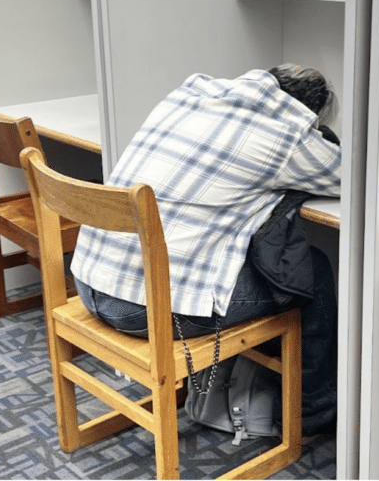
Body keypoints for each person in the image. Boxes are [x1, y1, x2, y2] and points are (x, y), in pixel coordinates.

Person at [70, 64, 342, 435]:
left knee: (241, 255)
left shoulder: (188, 94)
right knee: (314, 270)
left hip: (87, 284)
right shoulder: (289, 134)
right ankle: (312, 414)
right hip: (145, 311)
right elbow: (350, 175)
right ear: (308, 115)